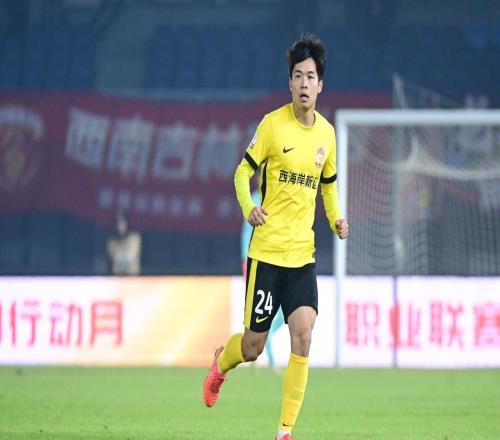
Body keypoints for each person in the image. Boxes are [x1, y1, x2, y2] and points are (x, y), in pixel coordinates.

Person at [203, 33, 349, 440]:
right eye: (297, 76)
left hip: (302, 256)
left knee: (304, 334)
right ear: (289, 82)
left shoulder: (327, 135)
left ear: (320, 85)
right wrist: (247, 208)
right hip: (267, 254)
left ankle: (284, 431)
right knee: (252, 347)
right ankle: (221, 363)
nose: (304, 83)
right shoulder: (272, 125)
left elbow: (329, 187)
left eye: (310, 77)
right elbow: (242, 173)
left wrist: (336, 219)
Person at [241, 188, 285, 369]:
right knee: (261, 313)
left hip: (282, 260)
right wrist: (246, 263)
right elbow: (246, 233)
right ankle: (264, 358)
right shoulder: (255, 198)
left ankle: (260, 343)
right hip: (259, 262)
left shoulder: (282, 194)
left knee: (283, 313)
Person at [106, 210, 142, 275]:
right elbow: (115, 259)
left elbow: (130, 257)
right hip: (117, 277)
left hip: (132, 277)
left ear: (127, 222)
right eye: (117, 222)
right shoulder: (111, 242)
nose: (119, 225)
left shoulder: (134, 238)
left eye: (122, 222)